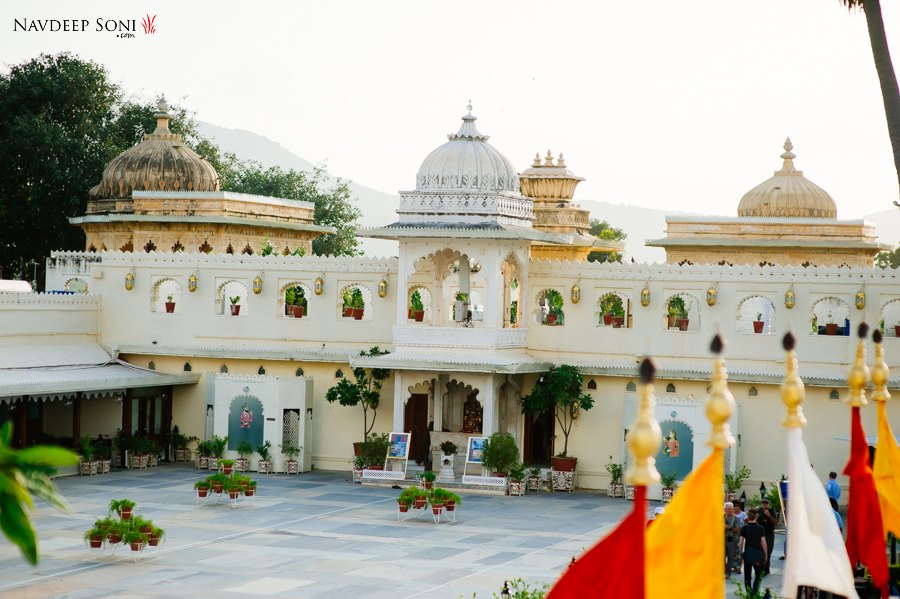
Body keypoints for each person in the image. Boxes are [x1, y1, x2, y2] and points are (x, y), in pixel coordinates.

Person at [740, 508, 768, 594]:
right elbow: (763, 543)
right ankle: (754, 592)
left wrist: (740, 554)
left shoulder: (744, 528)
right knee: (758, 575)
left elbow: (740, 542)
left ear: (748, 517)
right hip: (758, 554)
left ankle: (749, 593)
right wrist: (766, 555)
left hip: (748, 554)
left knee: (747, 576)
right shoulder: (760, 528)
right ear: (756, 517)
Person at [758, 497, 778, 574]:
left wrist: (769, 515)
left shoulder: (772, 511)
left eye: (766, 503)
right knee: (760, 551)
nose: (764, 504)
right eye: (763, 502)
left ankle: (766, 569)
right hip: (760, 534)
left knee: (768, 551)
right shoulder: (758, 511)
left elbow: (775, 522)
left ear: (768, 504)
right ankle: (760, 568)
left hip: (769, 534)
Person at [725, 502, 742, 578]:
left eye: (731, 509)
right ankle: (723, 571)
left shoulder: (736, 519)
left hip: (731, 540)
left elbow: (738, 530)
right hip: (722, 540)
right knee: (721, 557)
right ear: (725, 509)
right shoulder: (721, 517)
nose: (730, 510)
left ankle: (728, 573)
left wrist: (730, 528)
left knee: (731, 557)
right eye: (729, 509)